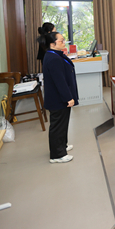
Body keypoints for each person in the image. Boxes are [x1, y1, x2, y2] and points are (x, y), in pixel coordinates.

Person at [39, 31, 78, 164]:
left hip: (59, 97)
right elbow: (59, 81)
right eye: (61, 40)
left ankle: (62, 146)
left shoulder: (54, 54)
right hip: (58, 99)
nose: (64, 42)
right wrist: (68, 97)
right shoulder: (53, 58)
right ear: (52, 44)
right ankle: (57, 155)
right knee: (58, 126)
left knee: (63, 124)